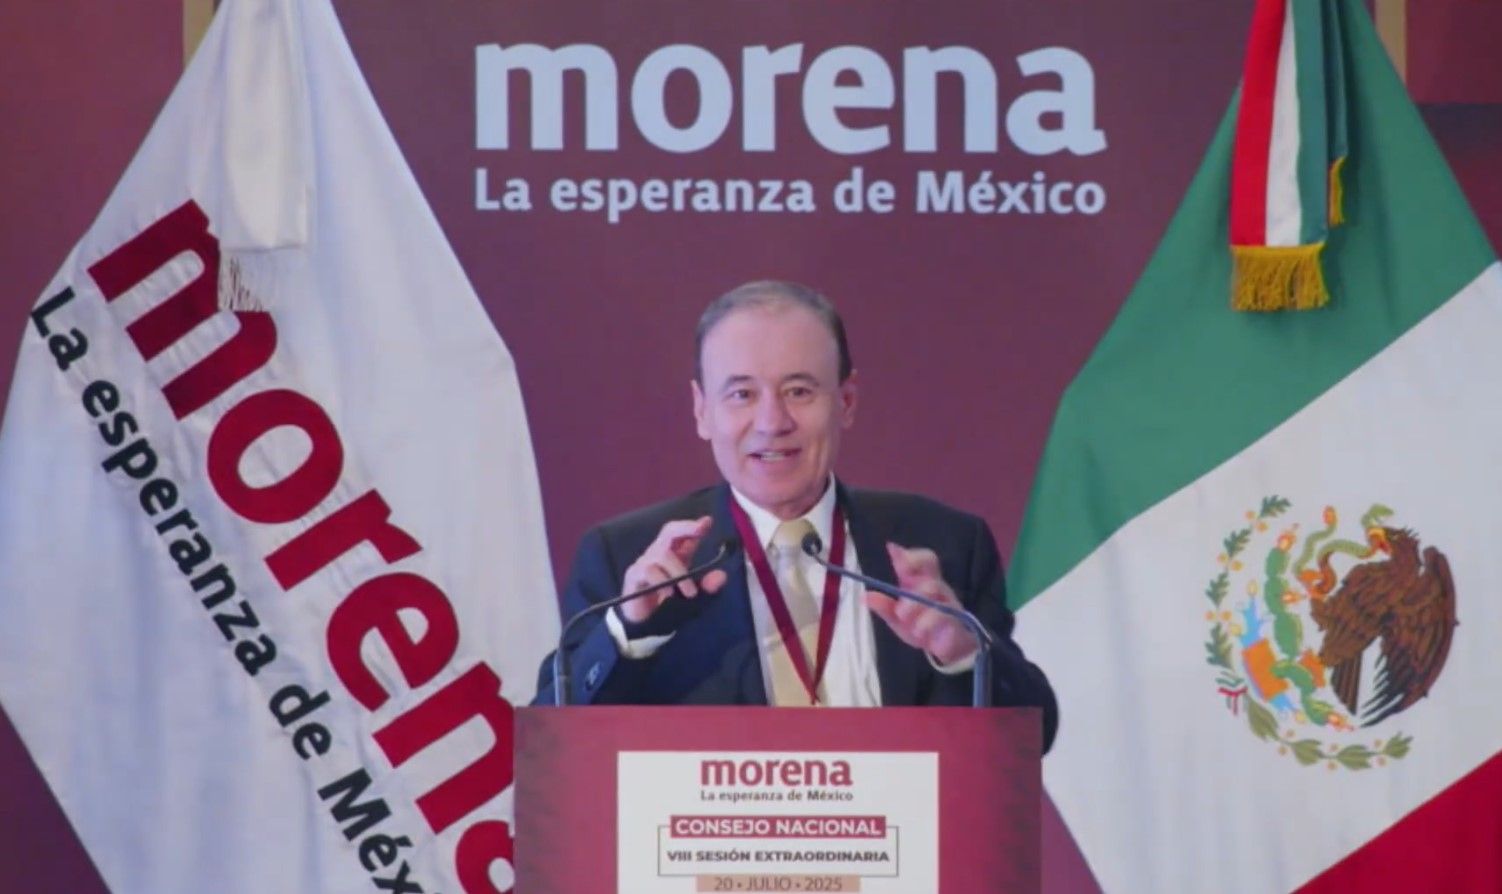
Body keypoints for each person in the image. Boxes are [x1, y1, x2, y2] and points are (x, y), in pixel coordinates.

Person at [534, 280, 1057, 752]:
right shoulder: (629, 559)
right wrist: (629, 632)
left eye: (799, 391)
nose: (772, 422)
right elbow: (552, 748)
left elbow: (1034, 738)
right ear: (701, 410)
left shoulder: (943, 544)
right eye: (742, 394)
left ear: (846, 401)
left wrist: (965, 655)